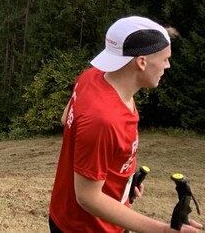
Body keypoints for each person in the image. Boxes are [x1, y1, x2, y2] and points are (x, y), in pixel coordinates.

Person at [49, 16, 202, 233]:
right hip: (88, 228)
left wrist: (123, 182)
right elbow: (87, 197)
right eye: (165, 59)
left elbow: (68, 119)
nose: (168, 65)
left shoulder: (92, 77)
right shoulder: (104, 119)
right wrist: (164, 230)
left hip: (71, 215)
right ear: (141, 62)